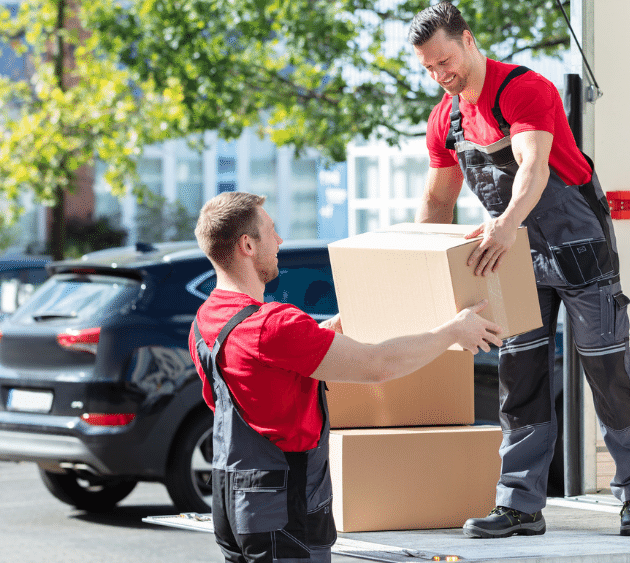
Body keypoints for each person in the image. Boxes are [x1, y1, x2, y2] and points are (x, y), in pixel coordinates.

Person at [408, 1, 630, 539]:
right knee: (519, 376)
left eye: (445, 61)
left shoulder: (524, 89)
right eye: (429, 68)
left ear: (468, 40)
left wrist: (503, 224)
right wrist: (424, 267)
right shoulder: (445, 119)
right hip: (512, 256)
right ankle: (520, 504)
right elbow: (437, 201)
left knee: (607, 369)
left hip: (577, 244)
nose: (440, 75)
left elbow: (533, 166)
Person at [188, 191, 502, 563]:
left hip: (231, 502)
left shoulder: (205, 321)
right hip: (283, 511)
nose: (280, 241)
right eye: (271, 231)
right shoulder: (274, 324)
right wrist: (453, 332)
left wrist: (324, 332)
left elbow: (259, 378)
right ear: (247, 245)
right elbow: (378, 365)